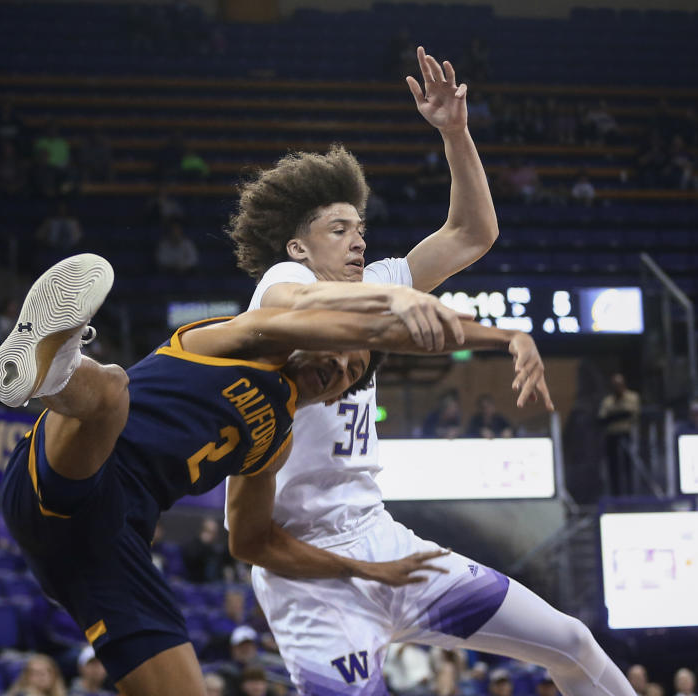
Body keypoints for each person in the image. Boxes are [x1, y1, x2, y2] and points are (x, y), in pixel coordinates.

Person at [224, 46, 635, 696]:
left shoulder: (378, 280)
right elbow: (290, 304)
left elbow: (472, 233)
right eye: (340, 229)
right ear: (300, 245)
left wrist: (455, 132)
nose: (359, 240)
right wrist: (432, 312)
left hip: (378, 534)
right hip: (305, 567)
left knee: (573, 644)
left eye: (361, 227)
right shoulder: (287, 279)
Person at [0, 253, 551, 696]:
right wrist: (501, 337)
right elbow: (341, 313)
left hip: (111, 548)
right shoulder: (241, 339)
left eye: (350, 373)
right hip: (73, 476)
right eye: (336, 351)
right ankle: (52, 368)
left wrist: (365, 569)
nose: (338, 366)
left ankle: (57, 367)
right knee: (111, 390)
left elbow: (252, 541)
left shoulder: (273, 447)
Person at [598, 373, 640, 496]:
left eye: (619, 384)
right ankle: (616, 496)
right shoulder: (608, 400)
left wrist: (613, 416)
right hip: (612, 436)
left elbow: (631, 414)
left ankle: (631, 494)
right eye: (615, 385)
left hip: (626, 434)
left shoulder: (633, 397)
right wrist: (619, 415)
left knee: (628, 467)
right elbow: (602, 419)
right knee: (613, 468)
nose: (617, 387)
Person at [181, 516, 230, 583]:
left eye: (214, 533)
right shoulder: (192, 546)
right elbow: (191, 562)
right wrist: (204, 544)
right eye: (209, 531)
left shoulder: (216, 549)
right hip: (195, 582)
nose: (212, 535)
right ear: (202, 531)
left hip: (215, 584)